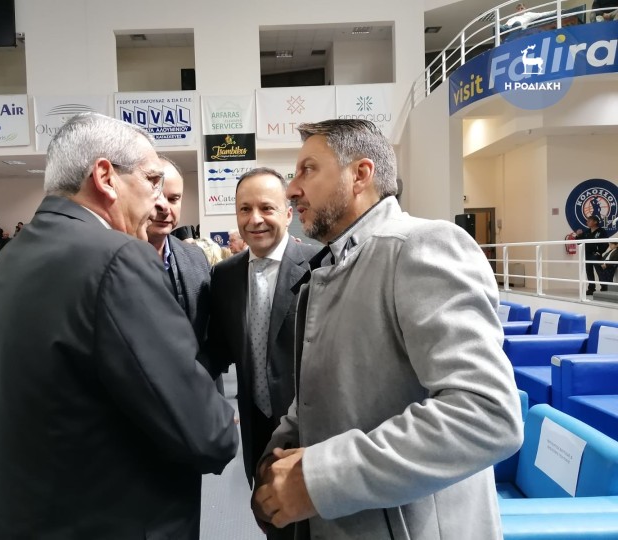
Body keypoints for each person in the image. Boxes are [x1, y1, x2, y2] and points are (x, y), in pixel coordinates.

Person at [0, 112, 238, 540]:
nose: (158, 201)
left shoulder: (13, 256)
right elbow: (205, 433)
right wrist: (223, 419)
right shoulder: (117, 258)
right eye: (151, 180)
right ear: (106, 177)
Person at [252, 120, 523, 540]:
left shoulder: (421, 246)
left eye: (308, 169)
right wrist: (276, 457)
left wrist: (320, 479)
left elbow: (486, 414)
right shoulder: (332, 268)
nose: (292, 189)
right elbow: (324, 397)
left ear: (360, 174)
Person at [207, 167, 319, 540]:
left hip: (311, 427)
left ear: (287, 213)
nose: (255, 219)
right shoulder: (224, 276)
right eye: (245, 209)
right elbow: (217, 350)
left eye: (266, 208)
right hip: (255, 428)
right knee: (272, 520)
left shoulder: (321, 266)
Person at [145, 156, 220, 392]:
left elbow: (212, 337)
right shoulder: (108, 258)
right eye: (156, 197)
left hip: (194, 393)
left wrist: (198, 382)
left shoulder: (196, 258)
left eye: (174, 198)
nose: (164, 207)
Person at [575, 214, 608, 295]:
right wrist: (578, 235)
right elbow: (579, 242)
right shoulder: (586, 232)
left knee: (599, 271)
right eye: (587, 221)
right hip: (587, 255)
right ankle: (591, 288)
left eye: (589, 221)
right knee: (589, 272)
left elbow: (605, 243)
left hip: (596, 254)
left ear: (595, 222)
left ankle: (604, 287)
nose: (587, 222)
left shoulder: (601, 231)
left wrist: (599, 252)